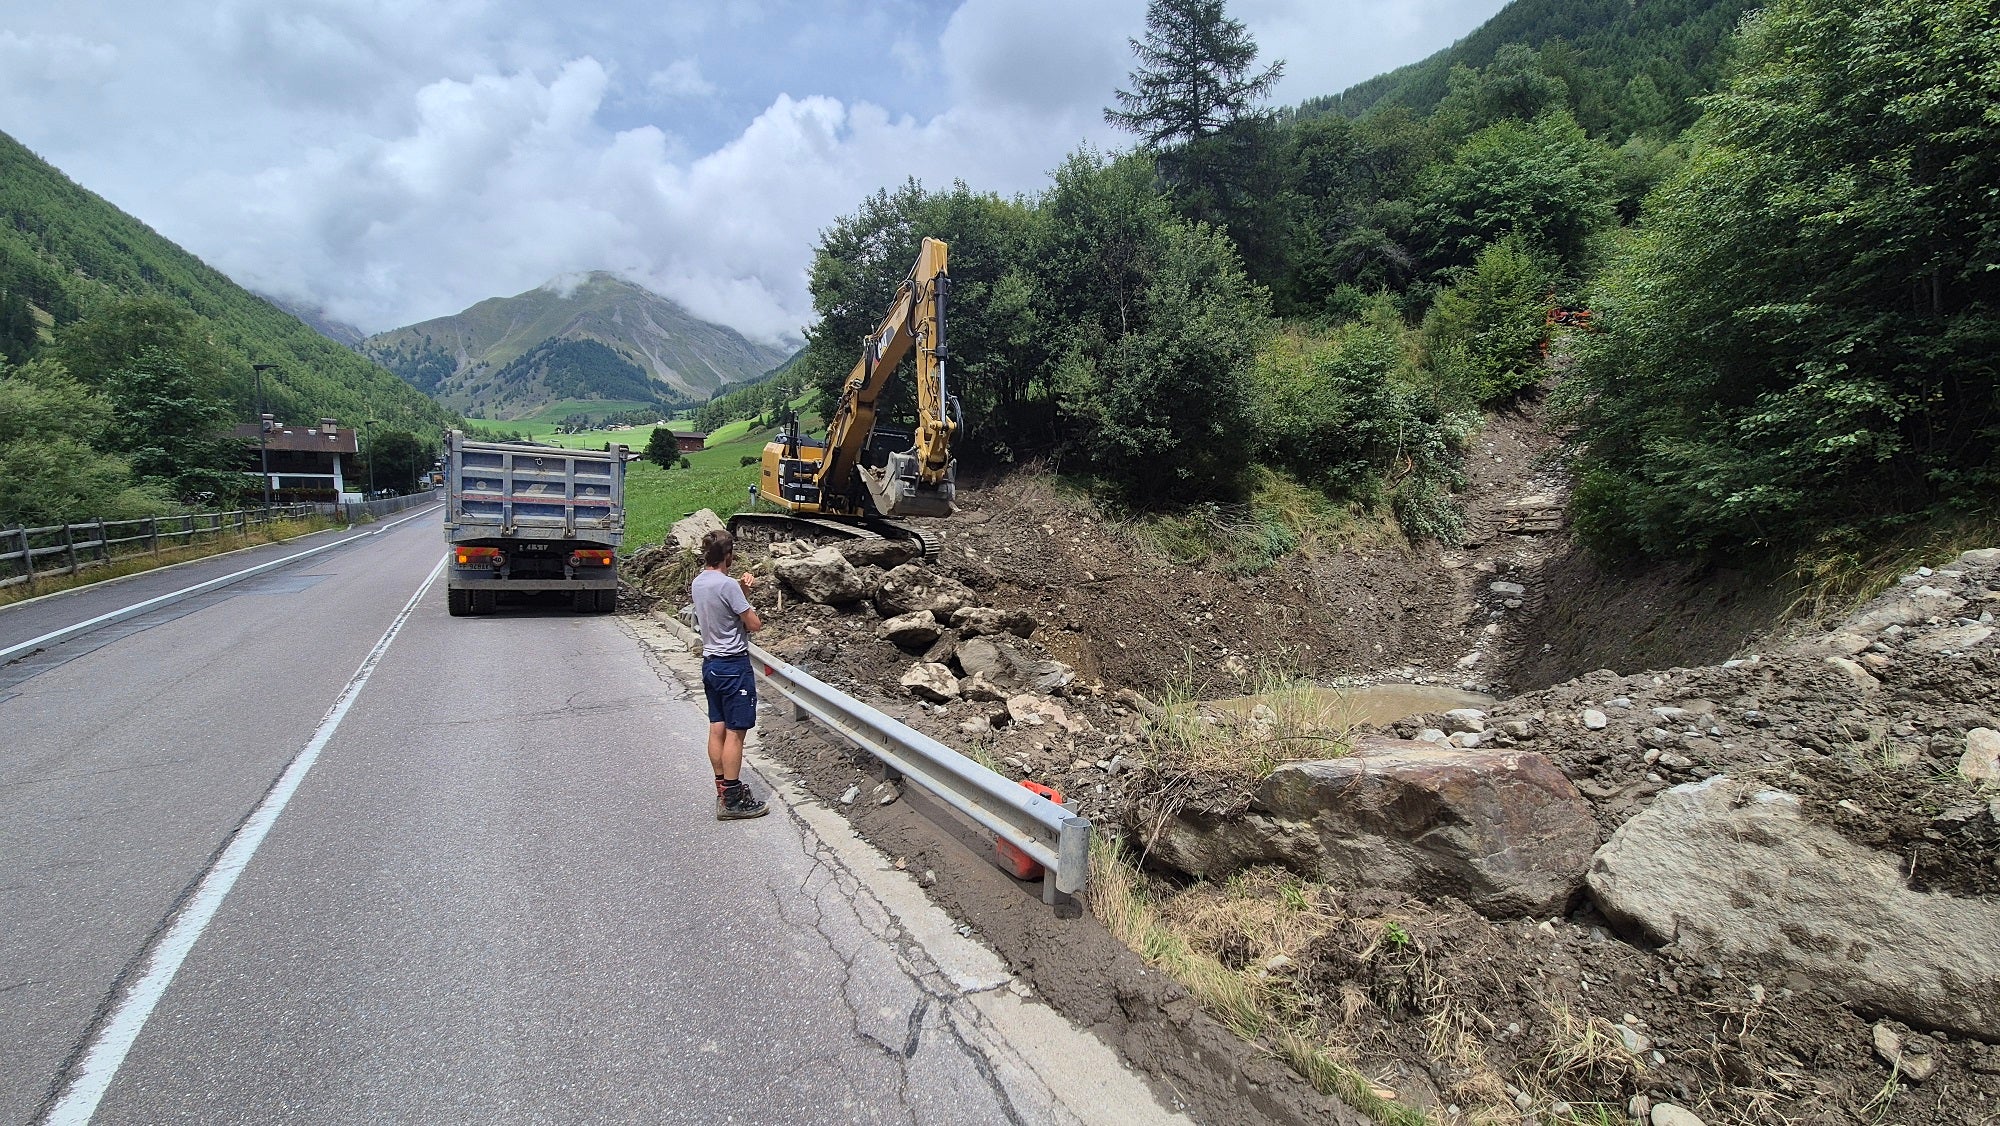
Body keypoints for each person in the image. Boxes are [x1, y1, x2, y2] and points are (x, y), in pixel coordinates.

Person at [690, 528, 768, 820]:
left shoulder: (699, 582)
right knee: (736, 733)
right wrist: (745, 595)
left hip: (711, 664)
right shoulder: (728, 585)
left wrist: (741, 592)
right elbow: (753, 624)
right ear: (728, 555)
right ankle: (733, 800)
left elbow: (721, 609)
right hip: (733, 666)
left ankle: (722, 788)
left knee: (717, 727)